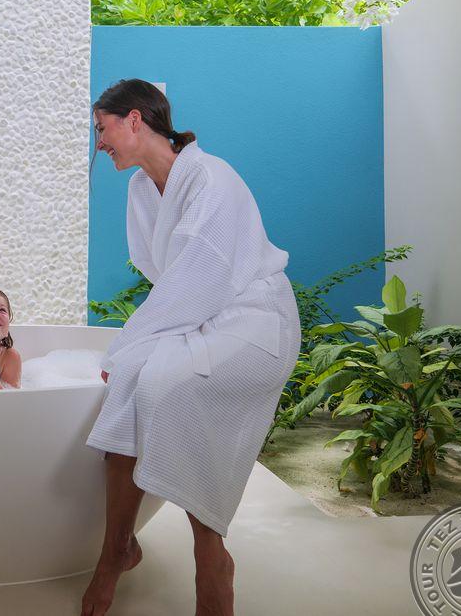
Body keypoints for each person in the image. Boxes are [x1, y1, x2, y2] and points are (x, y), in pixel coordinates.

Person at [80, 79, 301, 616]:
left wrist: (128, 342)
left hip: (254, 319)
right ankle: (116, 549)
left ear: (135, 120)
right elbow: (171, 278)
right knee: (130, 381)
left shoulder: (209, 177)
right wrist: (131, 351)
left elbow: (199, 277)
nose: (99, 143)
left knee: (162, 383)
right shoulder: (141, 189)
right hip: (201, 315)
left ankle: (210, 553)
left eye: (102, 128)